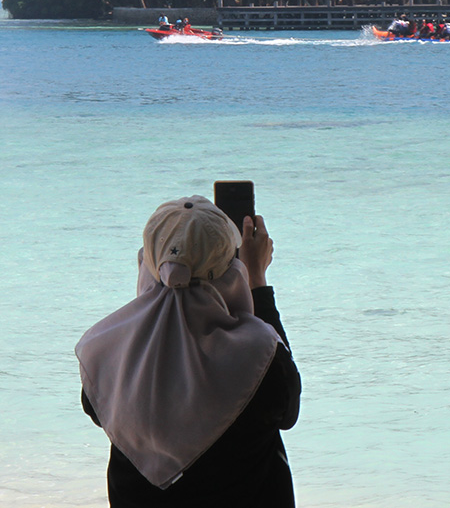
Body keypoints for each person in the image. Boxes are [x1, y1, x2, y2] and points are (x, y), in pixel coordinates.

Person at [76, 196, 301, 507]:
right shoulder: (260, 360)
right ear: (232, 272)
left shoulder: (107, 354)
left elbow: (98, 408)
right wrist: (258, 284)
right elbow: (287, 410)